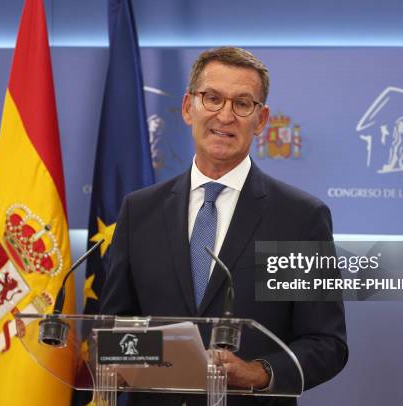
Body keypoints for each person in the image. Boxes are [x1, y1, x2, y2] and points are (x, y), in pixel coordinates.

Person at [99, 46, 348, 406]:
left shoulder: (299, 218)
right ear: (188, 108)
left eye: (242, 104)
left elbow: (326, 343)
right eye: (212, 98)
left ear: (261, 120)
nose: (225, 115)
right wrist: (123, 361)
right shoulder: (140, 210)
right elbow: (116, 324)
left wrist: (259, 372)